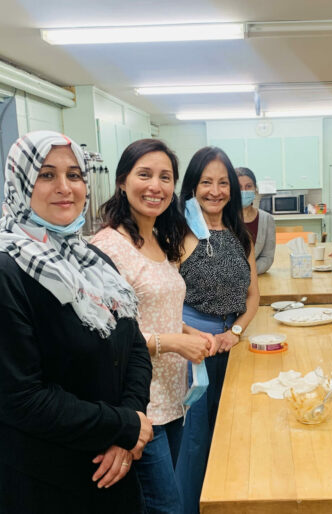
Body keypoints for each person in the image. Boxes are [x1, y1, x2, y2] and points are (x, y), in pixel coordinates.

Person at [0, 131, 153, 513]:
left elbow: (133, 346)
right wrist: (123, 427)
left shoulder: (90, 262)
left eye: (75, 175)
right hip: (35, 485)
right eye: (46, 175)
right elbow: (21, 399)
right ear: (19, 183)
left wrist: (130, 427)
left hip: (108, 470)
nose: (65, 188)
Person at [91, 138, 216, 514]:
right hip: (139, 403)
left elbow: (148, 307)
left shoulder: (158, 239)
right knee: (167, 507)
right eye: (144, 174)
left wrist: (187, 331)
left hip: (172, 397)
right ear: (122, 181)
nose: (156, 186)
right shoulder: (107, 246)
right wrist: (175, 343)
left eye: (165, 177)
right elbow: (106, 334)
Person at [176, 147, 259, 514]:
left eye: (222, 183)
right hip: (193, 350)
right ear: (192, 186)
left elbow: (254, 295)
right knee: (193, 440)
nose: (215, 190)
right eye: (205, 182)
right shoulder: (177, 233)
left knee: (234, 433)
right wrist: (190, 335)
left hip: (233, 347)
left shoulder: (241, 234)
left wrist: (236, 332)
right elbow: (160, 301)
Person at [235, 166, 276, 274]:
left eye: (248, 186)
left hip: (258, 279)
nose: (243, 191)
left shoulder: (267, 219)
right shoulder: (222, 219)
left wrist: (247, 273)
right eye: (239, 187)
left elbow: (267, 257)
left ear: (255, 189)